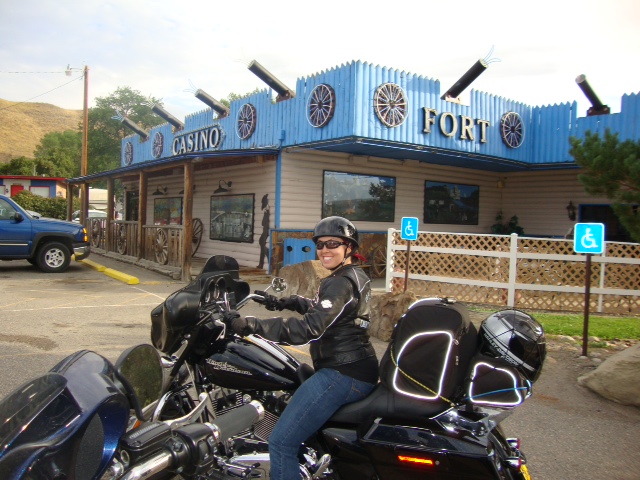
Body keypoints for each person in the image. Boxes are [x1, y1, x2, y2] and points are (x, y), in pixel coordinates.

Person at [228, 216, 378, 479]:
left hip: (342, 374)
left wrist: (251, 325)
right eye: (320, 244)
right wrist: (285, 302)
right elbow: (329, 310)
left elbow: (310, 328)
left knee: (281, 442)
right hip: (357, 367)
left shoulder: (340, 282)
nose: (324, 250)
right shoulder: (355, 275)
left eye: (333, 243)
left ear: (349, 247)